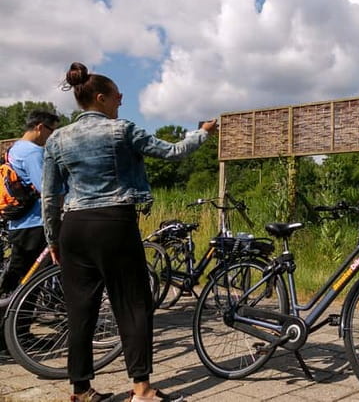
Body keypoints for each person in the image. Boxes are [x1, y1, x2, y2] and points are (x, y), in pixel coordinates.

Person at [42, 62, 218, 402]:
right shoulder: (122, 130)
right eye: (118, 98)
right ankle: (142, 390)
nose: (121, 103)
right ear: (101, 97)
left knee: (79, 311)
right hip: (113, 223)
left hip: (74, 227)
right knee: (133, 305)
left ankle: (80, 390)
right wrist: (203, 133)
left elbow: (50, 196)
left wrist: (53, 239)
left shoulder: (57, 138)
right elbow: (173, 152)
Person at [0, 110, 60, 307]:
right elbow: (46, 188)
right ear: (40, 127)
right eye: (52, 131)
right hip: (35, 223)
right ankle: (19, 332)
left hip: (19, 222)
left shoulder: (13, 149)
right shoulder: (34, 152)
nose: (51, 137)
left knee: (18, 275)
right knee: (32, 281)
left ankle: (13, 328)